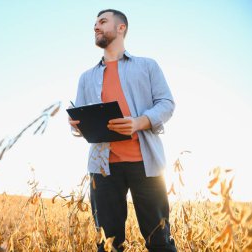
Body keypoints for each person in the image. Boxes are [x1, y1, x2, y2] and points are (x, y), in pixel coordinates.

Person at [68, 9, 177, 252]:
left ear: (121, 28)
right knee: (108, 245)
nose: (96, 27)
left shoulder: (147, 66)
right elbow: (81, 124)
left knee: (160, 241)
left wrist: (139, 122)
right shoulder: (86, 77)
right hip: (103, 169)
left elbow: (167, 104)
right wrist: (77, 126)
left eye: (102, 22)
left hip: (146, 165)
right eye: (94, 23)